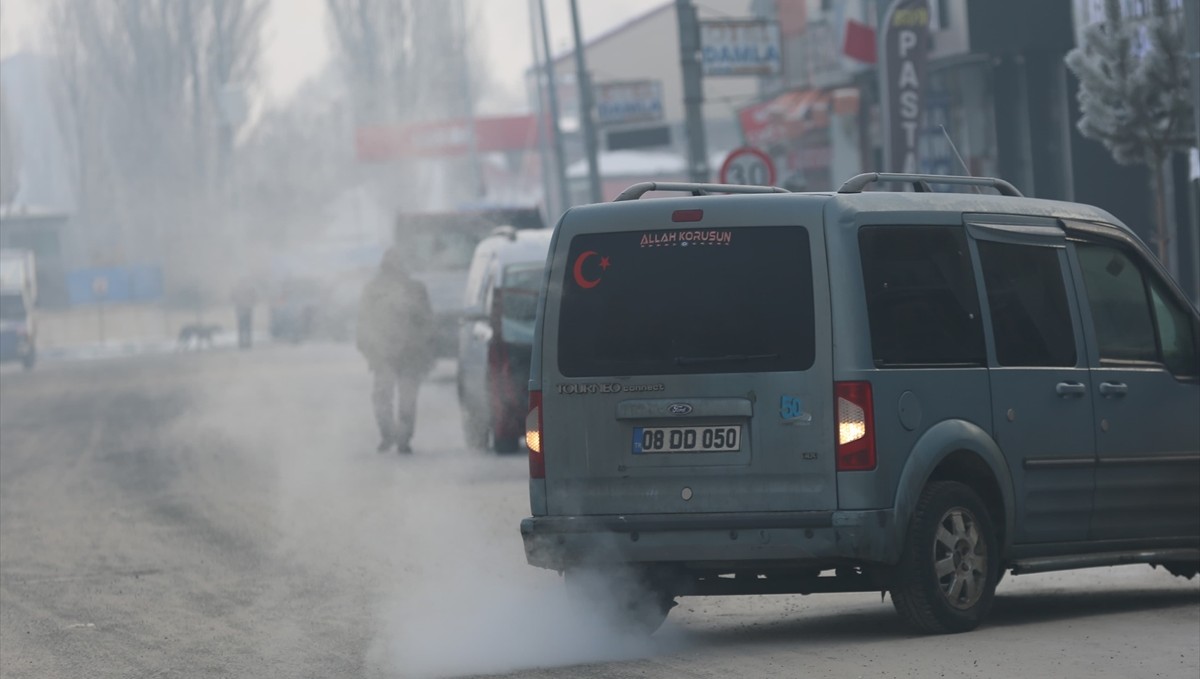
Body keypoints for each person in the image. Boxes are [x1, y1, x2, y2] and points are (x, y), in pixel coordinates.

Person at [356, 246, 436, 453]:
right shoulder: (373, 290)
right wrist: (369, 348)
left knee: (405, 400)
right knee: (384, 399)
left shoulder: (415, 290)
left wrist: (425, 346)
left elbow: (427, 321)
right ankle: (391, 435)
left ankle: (402, 438)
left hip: (410, 353)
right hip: (383, 353)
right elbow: (363, 322)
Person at [231, 279, 257, 349]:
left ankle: (242, 343)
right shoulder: (250, 288)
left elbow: (232, 298)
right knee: (247, 327)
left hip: (241, 310)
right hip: (247, 309)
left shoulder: (236, 289)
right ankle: (247, 342)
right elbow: (255, 297)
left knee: (241, 327)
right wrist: (251, 303)